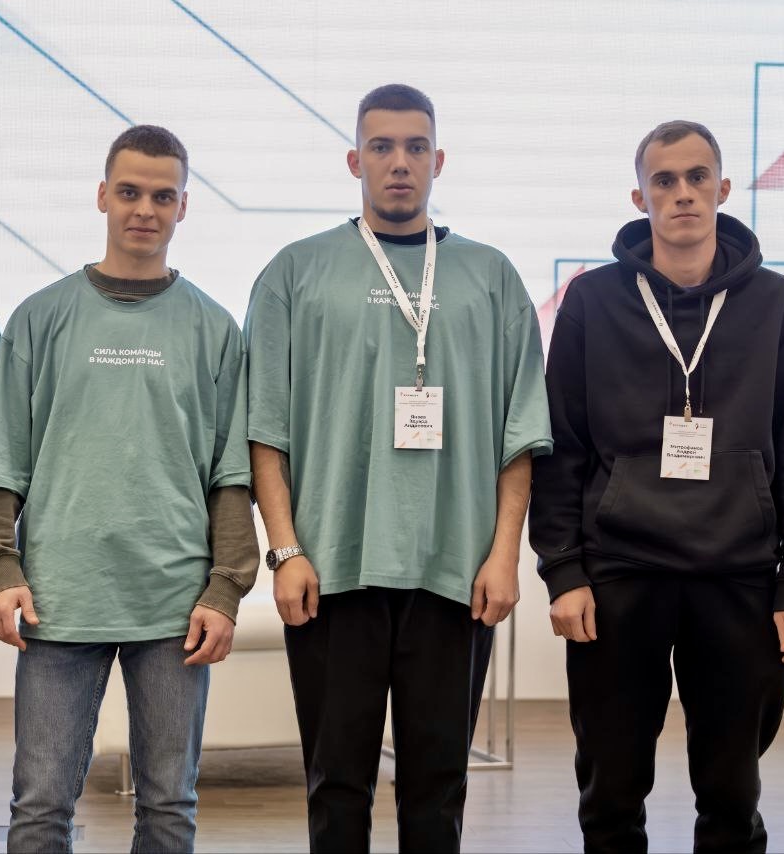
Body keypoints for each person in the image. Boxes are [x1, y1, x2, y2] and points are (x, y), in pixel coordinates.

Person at [244, 84, 552, 853]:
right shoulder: (294, 272)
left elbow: (520, 436)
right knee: (336, 785)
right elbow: (266, 432)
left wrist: (504, 555)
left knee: (437, 789)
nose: (399, 163)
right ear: (355, 161)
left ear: (438, 160)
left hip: (455, 574)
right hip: (332, 571)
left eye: (416, 147)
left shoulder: (492, 277)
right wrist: (285, 551)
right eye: (381, 147)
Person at [529, 120, 784, 854]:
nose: (683, 193)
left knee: (732, 796)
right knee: (610, 793)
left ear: (722, 189)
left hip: (739, 576)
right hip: (618, 574)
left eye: (697, 178)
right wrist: (562, 570)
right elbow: (562, 446)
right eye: (664, 180)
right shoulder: (592, 301)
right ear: (641, 197)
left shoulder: (776, 302)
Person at [0, 124, 257, 854]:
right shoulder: (40, 318)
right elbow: (1, 458)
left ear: (183, 206)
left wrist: (226, 588)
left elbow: (230, 475)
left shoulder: (214, 328)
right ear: (102, 195)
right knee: (40, 806)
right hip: (59, 598)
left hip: (174, 605)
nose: (144, 209)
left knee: (169, 806)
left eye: (162, 196)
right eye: (129, 192)